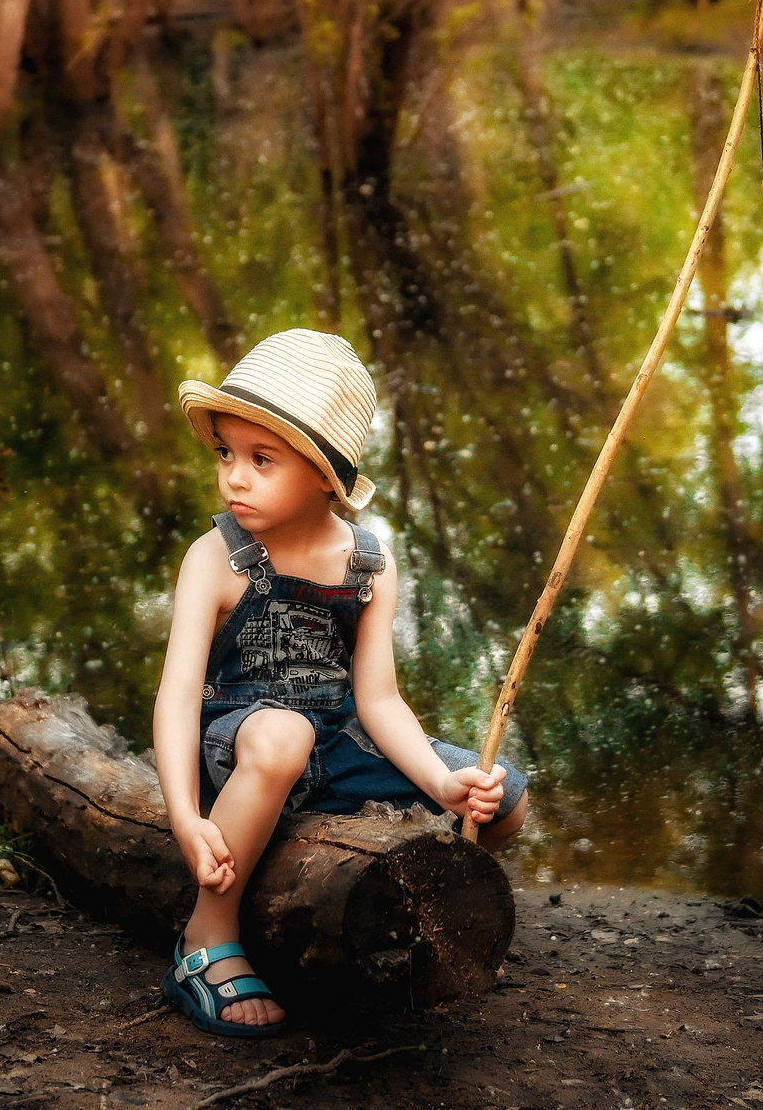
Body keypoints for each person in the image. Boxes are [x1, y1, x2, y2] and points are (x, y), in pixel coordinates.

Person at [153, 329, 528, 1036]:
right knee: (283, 732)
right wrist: (183, 812)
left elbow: (379, 700)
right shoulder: (216, 559)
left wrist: (442, 783)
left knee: (502, 795)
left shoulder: (369, 565)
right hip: (242, 748)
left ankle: (433, 915)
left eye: (262, 460)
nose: (235, 477)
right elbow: (177, 696)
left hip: (341, 748)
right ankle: (205, 937)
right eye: (227, 454)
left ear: (325, 476)